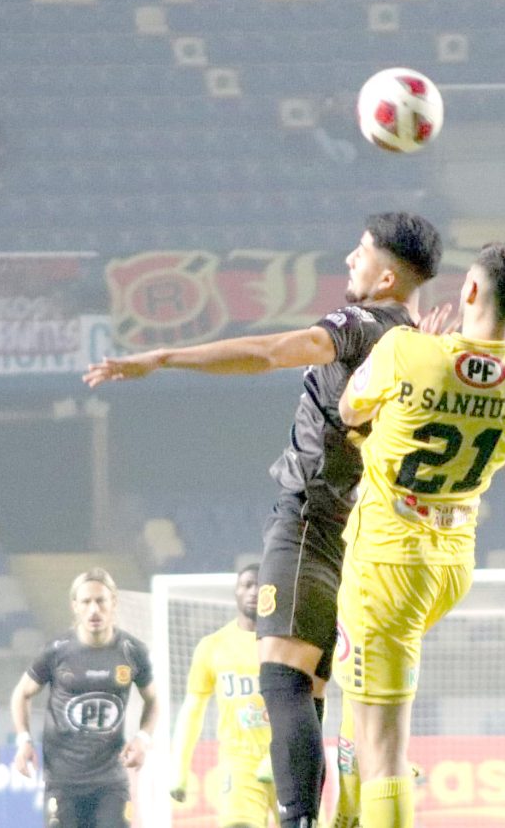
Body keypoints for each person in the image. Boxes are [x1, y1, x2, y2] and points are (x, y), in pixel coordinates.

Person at [83, 211, 445, 827]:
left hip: (310, 522)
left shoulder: (358, 324)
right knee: (309, 691)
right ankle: (321, 816)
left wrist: (164, 357)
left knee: (278, 678)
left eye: (359, 252)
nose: (348, 261)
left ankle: (299, 819)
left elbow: (268, 351)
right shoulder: (418, 345)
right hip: (363, 539)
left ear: (386, 277)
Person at [334, 242, 505, 828]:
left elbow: (349, 411)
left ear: (466, 291)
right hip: (451, 562)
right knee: (358, 704)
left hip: (388, 561)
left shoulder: (407, 351)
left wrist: (421, 357)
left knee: (386, 754)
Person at [10, 567, 157, 828]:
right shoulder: (57, 651)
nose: (94, 610)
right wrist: (24, 740)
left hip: (111, 781)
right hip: (63, 783)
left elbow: (153, 700)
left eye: (100, 601)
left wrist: (143, 738)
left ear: (114, 602)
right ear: (75, 606)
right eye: (86, 602)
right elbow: (21, 694)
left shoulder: (132, 651)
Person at [170, 563, 277, 828]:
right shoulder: (213, 646)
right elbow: (193, 707)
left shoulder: (287, 642)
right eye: (247, 585)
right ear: (236, 592)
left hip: (287, 759)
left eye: (260, 585)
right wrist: (179, 768)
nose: (253, 591)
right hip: (239, 762)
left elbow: (313, 698)